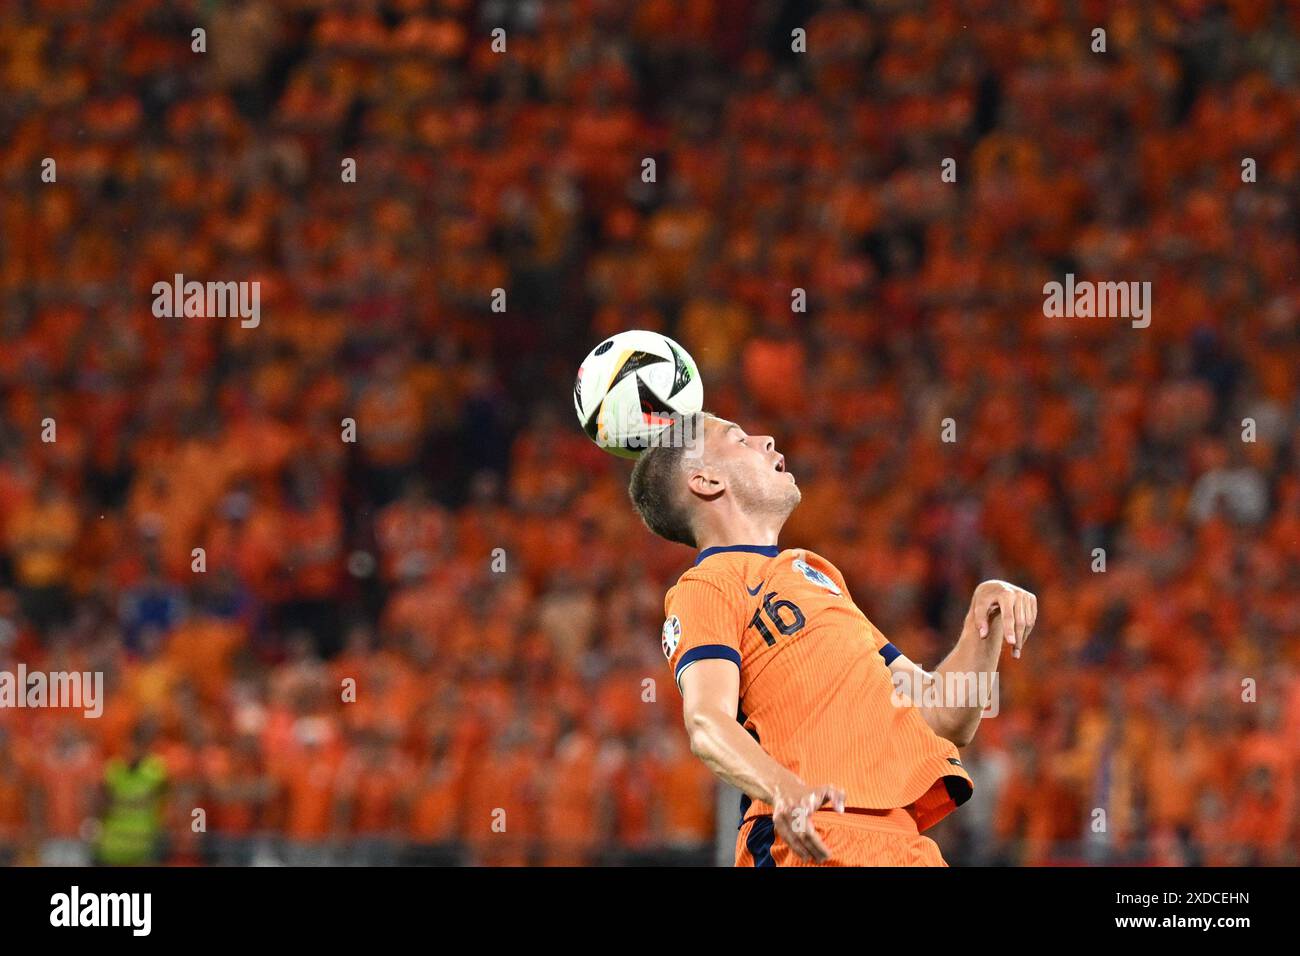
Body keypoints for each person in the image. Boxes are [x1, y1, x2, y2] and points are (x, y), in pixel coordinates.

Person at [628, 413, 1038, 866]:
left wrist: (984, 621)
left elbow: (944, 715)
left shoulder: (818, 574)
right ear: (706, 481)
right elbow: (706, 722)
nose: (766, 439)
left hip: (905, 844)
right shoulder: (707, 585)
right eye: (739, 439)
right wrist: (782, 788)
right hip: (812, 835)